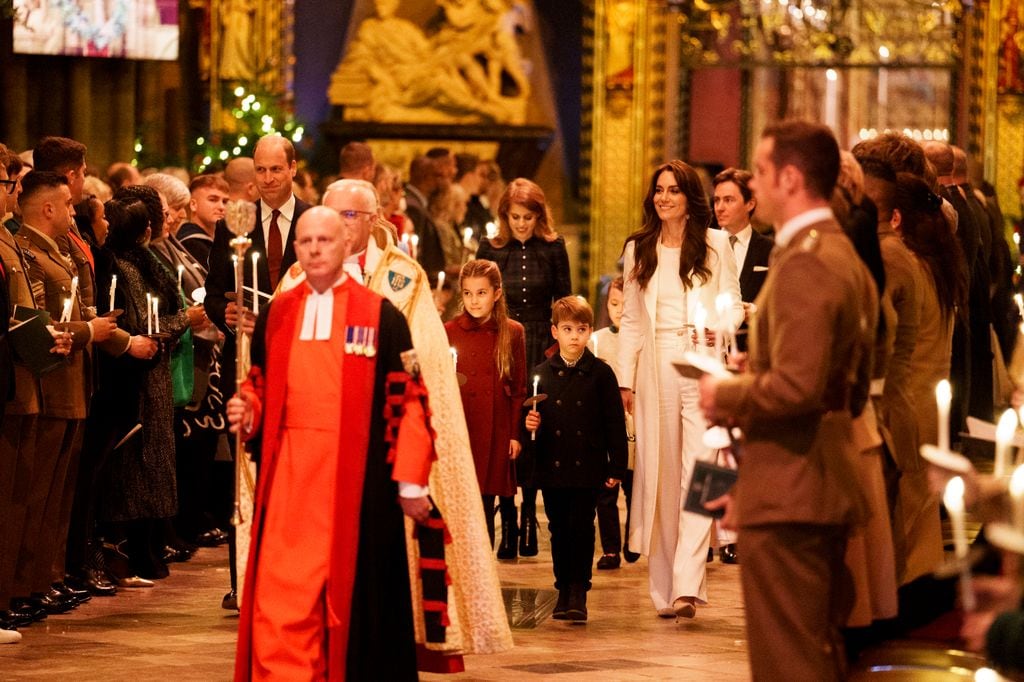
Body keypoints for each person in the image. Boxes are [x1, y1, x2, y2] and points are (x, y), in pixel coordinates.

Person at [292, 179, 514, 664]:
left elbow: (428, 365)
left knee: (381, 553)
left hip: (383, 440)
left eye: (349, 216)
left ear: (374, 220)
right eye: (329, 215)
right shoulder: (297, 278)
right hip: (322, 442)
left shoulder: (403, 279)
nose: (336, 226)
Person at [698, 121, 878, 680]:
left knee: (789, 661)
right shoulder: (833, 250)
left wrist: (724, 390)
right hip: (801, 478)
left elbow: (801, 387)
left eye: (761, 170)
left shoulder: (807, 259)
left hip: (796, 487)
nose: (754, 181)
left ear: (791, 178)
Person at [228, 206, 434, 680]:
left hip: (357, 481)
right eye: (306, 242)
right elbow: (259, 382)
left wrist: (409, 482)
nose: (316, 249)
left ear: (345, 244)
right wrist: (249, 410)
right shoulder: (277, 314)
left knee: (353, 597)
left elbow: (409, 398)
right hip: (289, 481)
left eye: (325, 240)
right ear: (295, 250)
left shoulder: (381, 315)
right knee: (281, 592)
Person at [617, 160, 743, 619]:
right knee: (661, 478)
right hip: (655, 368)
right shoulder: (639, 249)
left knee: (703, 471)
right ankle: (667, 587)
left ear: (691, 197)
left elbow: (730, 303)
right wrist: (624, 380)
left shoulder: (714, 244)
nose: (664, 197)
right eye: (659, 190)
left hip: (703, 367)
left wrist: (720, 328)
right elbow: (631, 319)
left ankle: (689, 582)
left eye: (673, 190)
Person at [476, 177, 571, 559]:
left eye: (528, 217)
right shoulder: (490, 247)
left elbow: (563, 300)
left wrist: (559, 349)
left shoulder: (553, 247)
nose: (521, 224)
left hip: (539, 342)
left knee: (533, 424)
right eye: (515, 216)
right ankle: (507, 518)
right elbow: (479, 300)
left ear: (538, 216)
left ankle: (530, 514)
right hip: (502, 341)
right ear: (504, 216)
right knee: (504, 423)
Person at [524, 295, 627, 622]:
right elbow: (529, 420)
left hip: (587, 465)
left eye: (580, 329)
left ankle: (578, 591)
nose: (573, 336)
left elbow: (614, 422)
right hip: (553, 466)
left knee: (582, 527)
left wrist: (617, 466)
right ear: (554, 331)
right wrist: (529, 424)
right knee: (558, 528)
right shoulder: (542, 374)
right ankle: (562, 586)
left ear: (589, 331)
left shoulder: (600, 374)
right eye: (567, 329)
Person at [445, 259, 526, 549]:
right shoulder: (450, 331)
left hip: (496, 425)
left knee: (485, 500)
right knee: (461, 501)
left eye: (481, 293)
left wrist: (515, 434)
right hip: (463, 425)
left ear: (497, 293)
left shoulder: (512, 332)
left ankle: (486, 574)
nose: (474, 300)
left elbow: (518, 388)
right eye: (467, 293)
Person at [588, 277, 637, 568]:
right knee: (606, 489)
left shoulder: (643, 339)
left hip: (637, 421)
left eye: (625, 304)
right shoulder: (598, 339)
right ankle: (610, 549)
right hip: (607, 423)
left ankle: (633, 538)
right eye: (614, 304)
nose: (619, 310)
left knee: (634, 485)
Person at [712, 167, 772, 354]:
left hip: (751, 350)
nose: (720, 207)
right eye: (716, 200)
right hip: (709, 347)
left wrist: (754, 311)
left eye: (728, 200)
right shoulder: (703, 245)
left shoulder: (770, 250)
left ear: (750, 204)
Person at [178, 174, 230, 268]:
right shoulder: (191, 244)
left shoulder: (222, 239)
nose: (222, 207)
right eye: (213, 200)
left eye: (225, 202)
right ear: (193, 205)